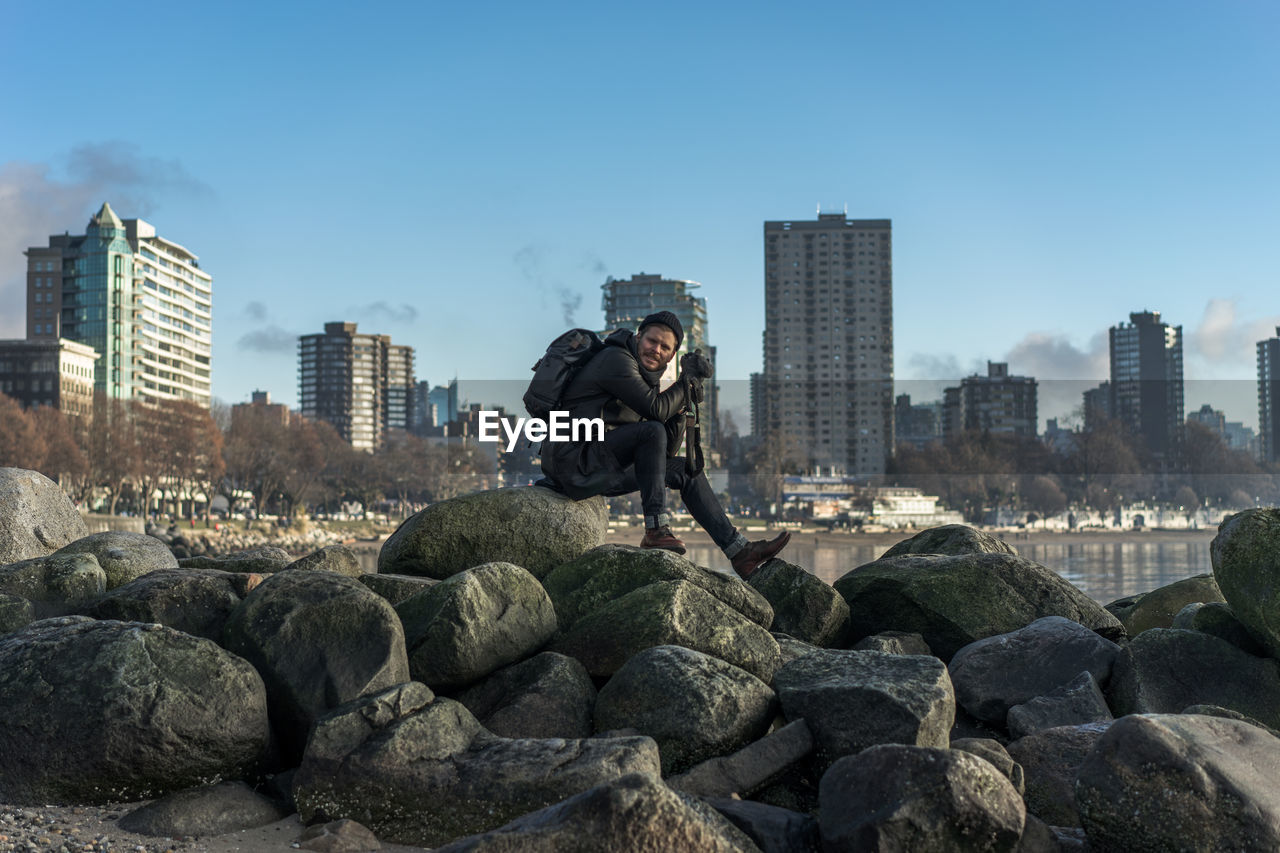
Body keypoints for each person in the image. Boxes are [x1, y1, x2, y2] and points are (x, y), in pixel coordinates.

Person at [538, 311, 790, 579]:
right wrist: (685, 383)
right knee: (651, 430)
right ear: (638, 338)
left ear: (672, 356)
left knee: (683, 469)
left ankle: (740, 552)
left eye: (664, 347)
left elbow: (662, 453)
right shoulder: (616, 360)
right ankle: (655, 530)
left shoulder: (647, 378)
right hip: (572, 461)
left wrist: (683, 405)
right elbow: (655, 414)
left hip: (599, 466)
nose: (656, 350)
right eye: (651, 341)